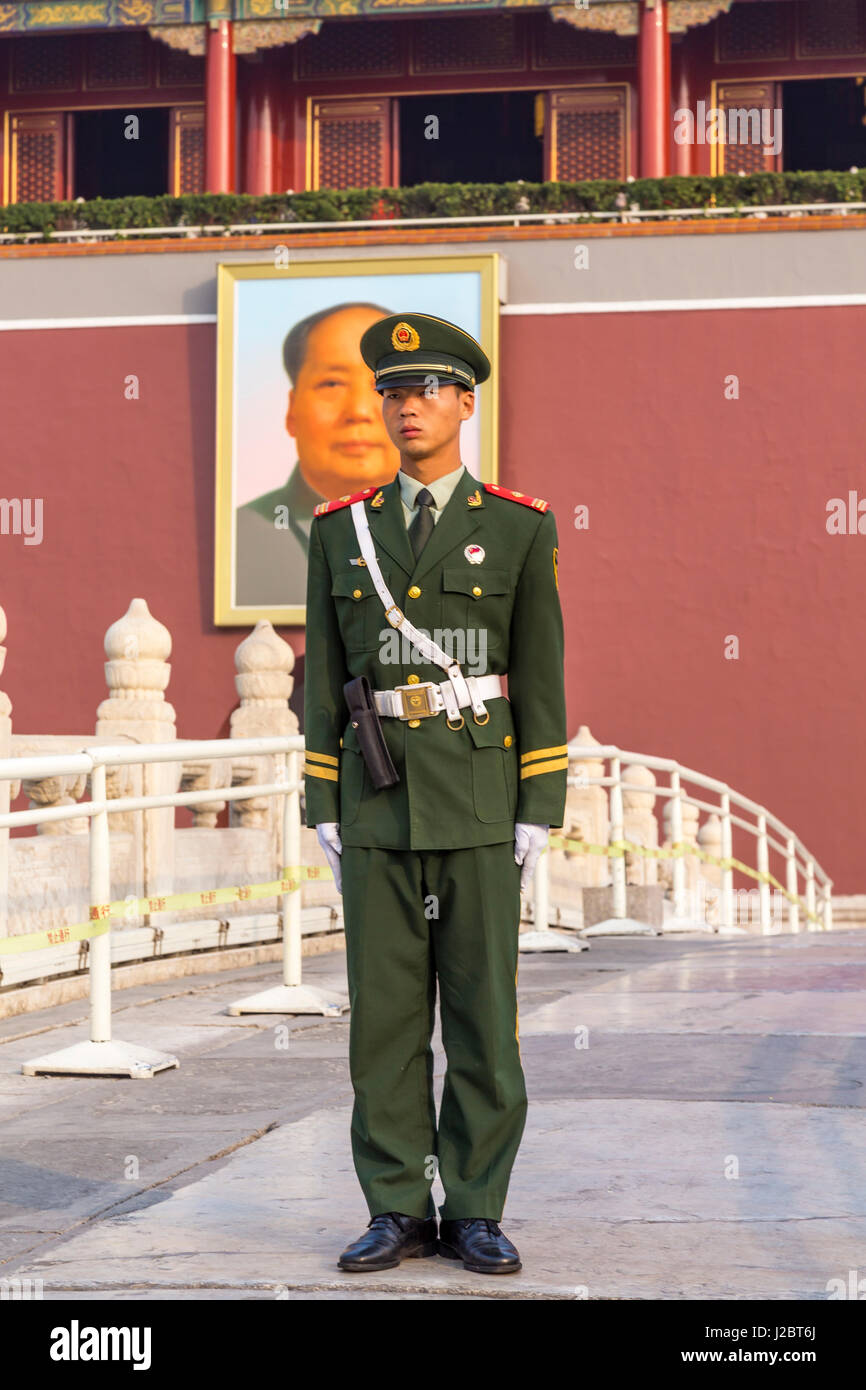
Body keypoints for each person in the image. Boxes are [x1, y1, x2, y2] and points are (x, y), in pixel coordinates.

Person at [303, 312, 567, 1276]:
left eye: (426, 391)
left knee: (484, 1021)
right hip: (376, 804)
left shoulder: (518, 527)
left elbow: (539, 677)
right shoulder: (342, 531)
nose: (406, 407)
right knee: (382, 1021)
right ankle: (395, 1207)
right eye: (392, 392)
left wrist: (540, 804)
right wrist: (321, 795)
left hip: (479, 800)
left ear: (465, 402)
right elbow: (322, 673)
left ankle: (479, 1207)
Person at [234, 302, 401, 607]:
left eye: (382, 384)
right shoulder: (234, 540)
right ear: (291, 411)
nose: (359, 411)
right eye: (332, 383)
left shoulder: (456, 530)